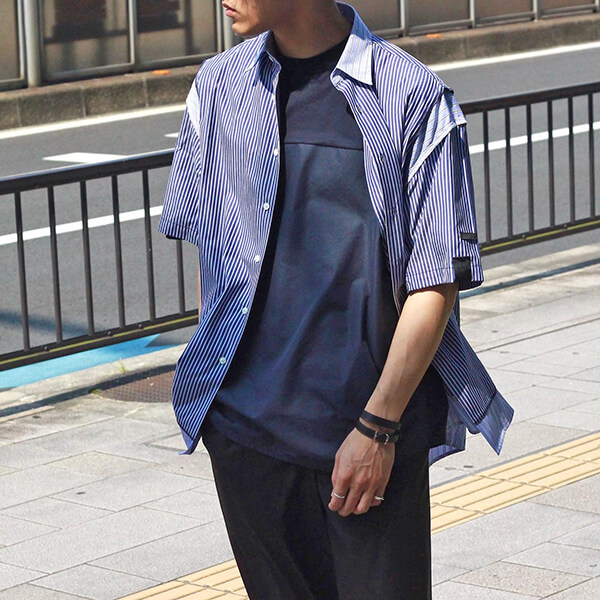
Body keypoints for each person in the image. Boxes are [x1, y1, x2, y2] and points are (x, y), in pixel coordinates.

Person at [159, 1, 514, 598]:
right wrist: (218, 405)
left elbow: (436, 281)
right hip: (246, 436)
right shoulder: (219, 87)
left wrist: (378, 428)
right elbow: (210, 245)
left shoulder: (409, 95)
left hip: (365, 437)